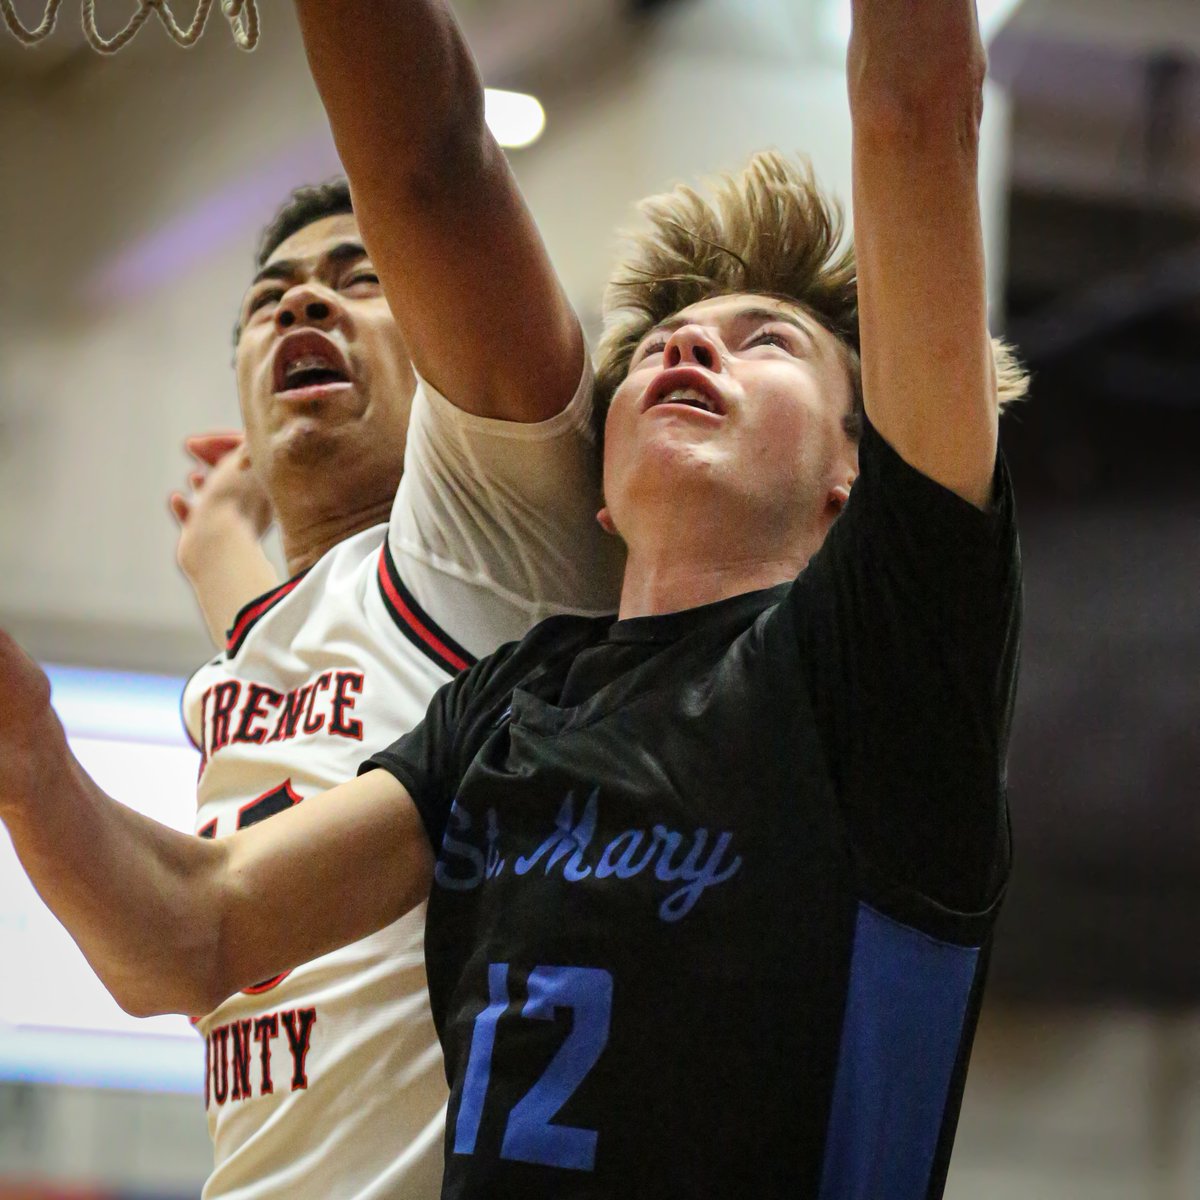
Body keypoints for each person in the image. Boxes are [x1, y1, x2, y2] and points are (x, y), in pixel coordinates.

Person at [0, 0, 1028, 1194]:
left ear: (857, 473)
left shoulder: (880, 660)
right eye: (661, 343)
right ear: (603, 495)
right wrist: (28, 756)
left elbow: (915, 111)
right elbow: (198, 930)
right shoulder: (510, 703)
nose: (690, 348)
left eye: (767, 343)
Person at [142, 173, 620, 1199]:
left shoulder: (488, 558)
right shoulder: (256, 658)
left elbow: (439, 176)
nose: (302, 304)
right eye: (268, 300)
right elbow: (290, 641)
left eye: (359, 280)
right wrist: (215, 536)